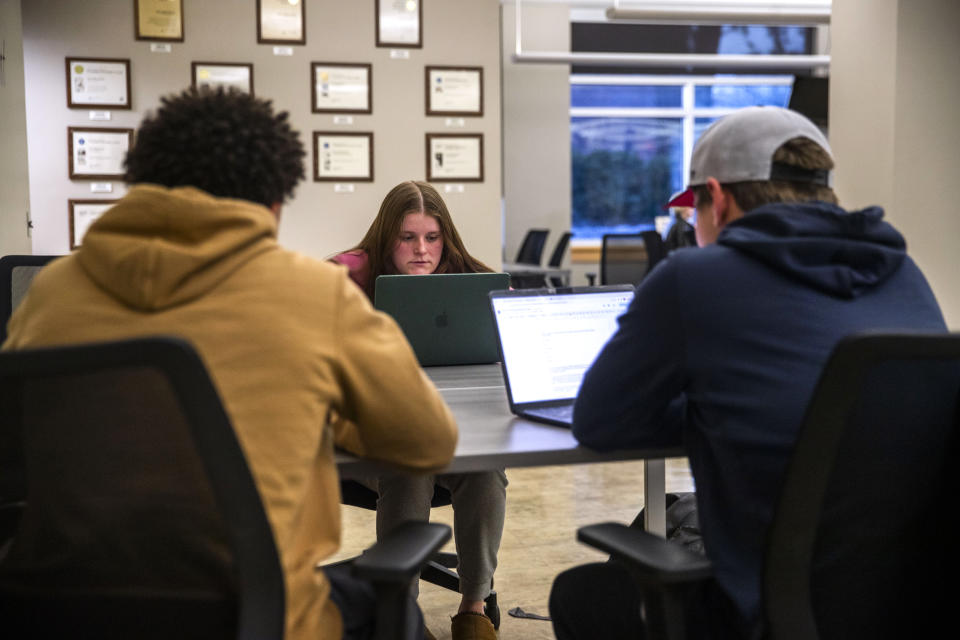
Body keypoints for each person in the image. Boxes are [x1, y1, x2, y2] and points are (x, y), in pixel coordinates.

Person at [1, 88, 458, 640]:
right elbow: (427, 443)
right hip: (253, 615)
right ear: (274, 201)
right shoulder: (315, 293)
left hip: (63, 613)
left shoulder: (50, 296)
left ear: (144, 183)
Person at [548, 106, 947, 639]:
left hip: (763, 612)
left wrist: (715, 411)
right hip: (910, 604)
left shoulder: (693, 277)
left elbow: (600, 421)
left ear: (721, 197)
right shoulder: (903, 273)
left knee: (583, 593)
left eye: (694, 212)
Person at [332, 181, 505, 640]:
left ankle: (474, 608)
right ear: (386, 237)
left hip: (457, 435)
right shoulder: (347, 282)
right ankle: (399, 611)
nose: (422, 250)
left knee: (486, 470)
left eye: (432, 237)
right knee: (409, 469)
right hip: (370, 443)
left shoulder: (471, 281)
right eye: (407, 237)